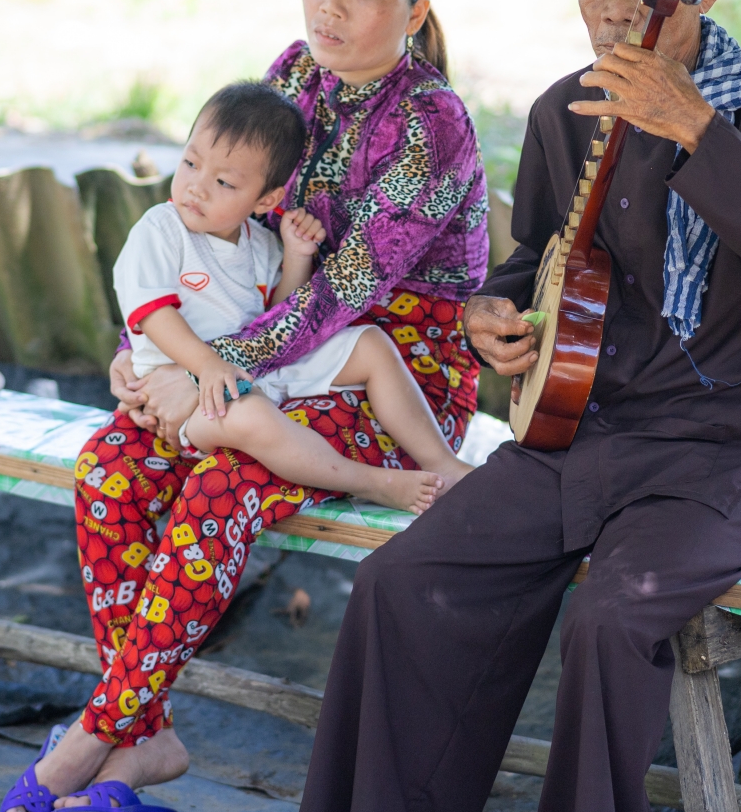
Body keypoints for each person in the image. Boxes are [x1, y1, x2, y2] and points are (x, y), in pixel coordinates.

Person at [291, 0, 741, 812]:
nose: (612, 7)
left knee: (609, 618)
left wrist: (695, 128)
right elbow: (536, 266)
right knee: (400, 583)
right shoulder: (567, 110)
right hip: (580, 442)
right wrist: (495, 317)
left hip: (735, 457)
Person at [1, 0, 489, 812]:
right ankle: (152, 737)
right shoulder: (289, 79)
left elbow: (339, 296)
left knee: (221, 484)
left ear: (415, 13)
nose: (330, 7)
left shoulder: (432, 123)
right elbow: (211, 240)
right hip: (250, 349)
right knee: (108, 470)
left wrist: (202, 373)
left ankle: (96, 732)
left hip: (387, 373)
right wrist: (145, 356)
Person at [114, 80, 473, 515]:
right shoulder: (159, 230)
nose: (197, 187)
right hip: (193, 398)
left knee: (372, 345)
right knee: (254, 419)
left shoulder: (258, 243)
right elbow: (154, 316)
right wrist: (206, 366)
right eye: (190, 162)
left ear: (266, 199)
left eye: (224, 182)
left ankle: (444, 465)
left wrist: (297, 258)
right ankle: (376, 484)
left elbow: (276, 313)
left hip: (254, 370)